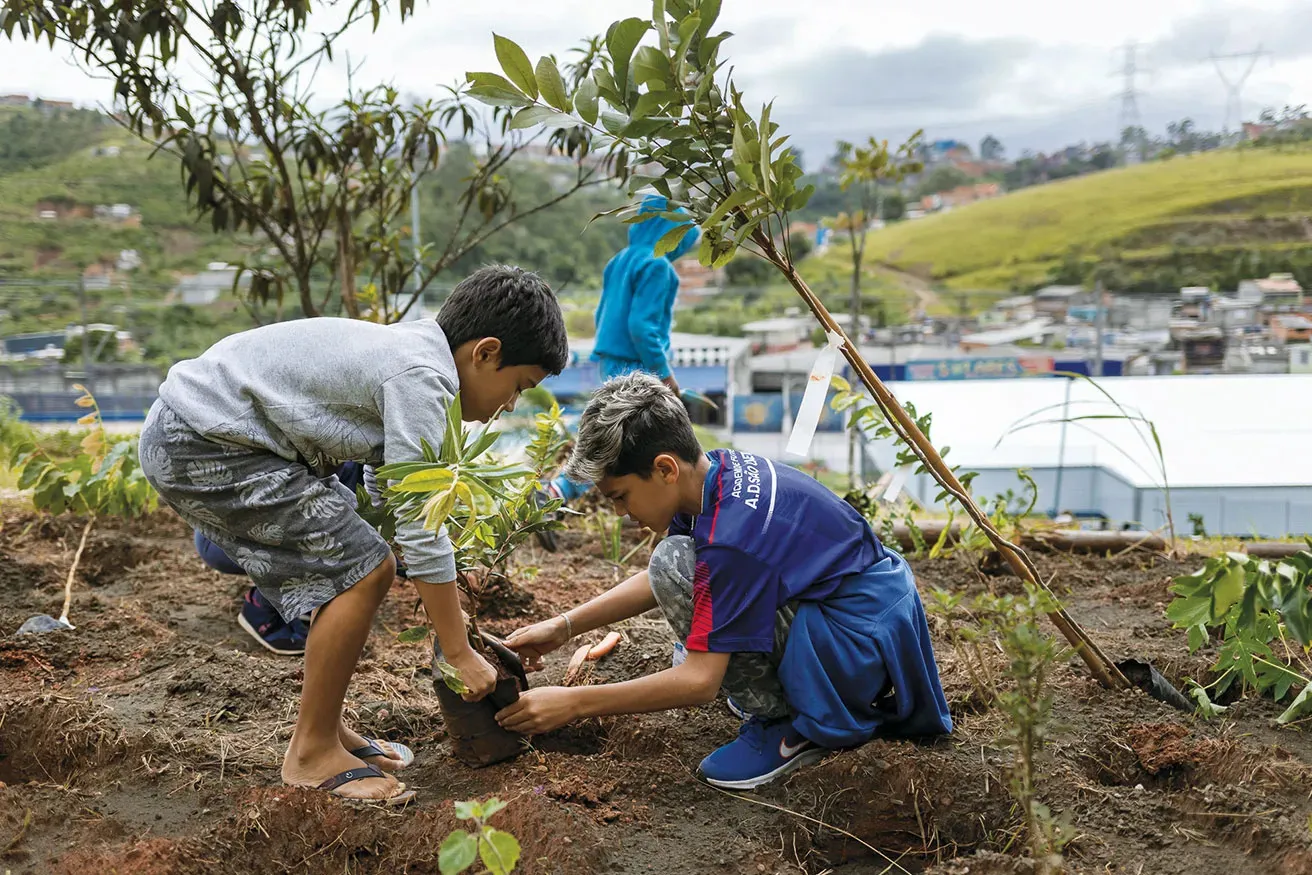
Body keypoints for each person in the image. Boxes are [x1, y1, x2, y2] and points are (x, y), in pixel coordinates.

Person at [138, 265, 569, 804]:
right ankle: (312, 752)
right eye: (518, 388)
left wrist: (419, 561)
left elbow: (387, 478)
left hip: (198, 431)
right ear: (485, 353)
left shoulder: (416, 350)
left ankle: (326, 729)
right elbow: (417, 514)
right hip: (204, 441)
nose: (509, 405)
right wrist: (457, 650)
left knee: (357, 561)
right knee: (365, 569)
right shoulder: (424, 377)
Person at [497, 372, 952, 790]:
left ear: (664, 469)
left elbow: (699, 682)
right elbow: (672, 576)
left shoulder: (731, 539)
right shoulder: (714, 473)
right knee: (675, 562)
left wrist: (574, 702)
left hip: (852, 642)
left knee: (675, 567)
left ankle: (788, 725)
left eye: (621, 496)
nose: (620, 512)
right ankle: (784, 691)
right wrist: (564, 625)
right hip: (861, 606)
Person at [542, 193, 700, 507]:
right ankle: (558, 493)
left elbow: (602, 314)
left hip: (610, 357)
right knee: (617, 438)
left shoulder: (620, 260)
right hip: (637, 364)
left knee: (612, 430)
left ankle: (564, 491)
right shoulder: (658, 267)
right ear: (670, 233)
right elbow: (643, 327)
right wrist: (665, 375)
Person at [192, 462, 411, 657]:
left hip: (230, 524)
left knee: (364, 545)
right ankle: (263, 607)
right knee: (355, 543)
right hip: (225, 540)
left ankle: (307, 599)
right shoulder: (362, 456)